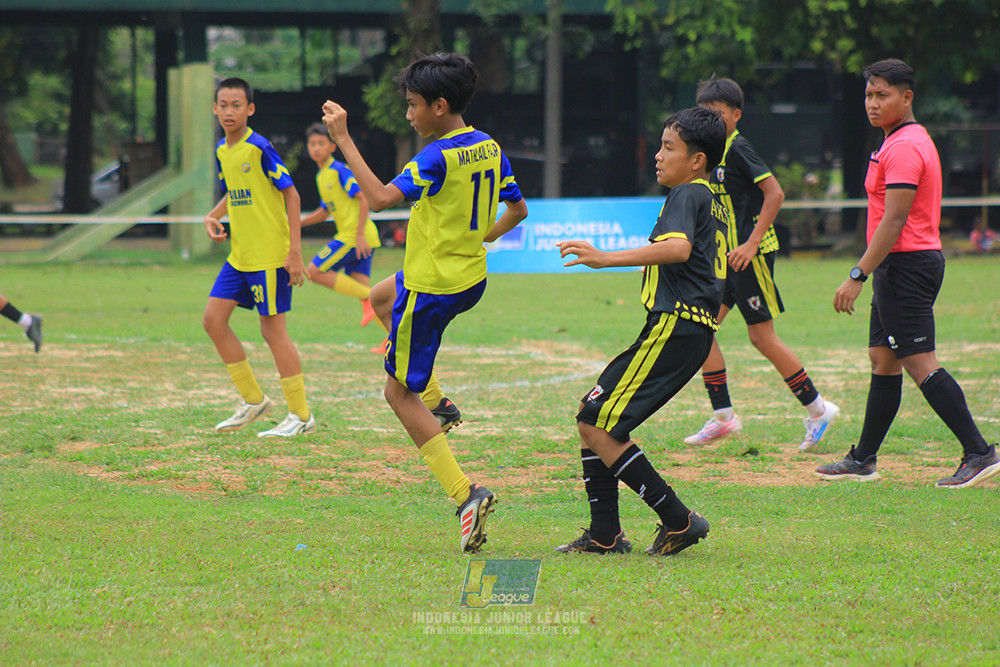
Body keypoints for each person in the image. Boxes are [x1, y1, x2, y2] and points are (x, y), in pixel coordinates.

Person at [321, 53, 528, 552]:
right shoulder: (487, 145)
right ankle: (438, 402)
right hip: (468, 278)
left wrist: (344, 139)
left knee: (396, 394)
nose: (409, 115)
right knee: (378, 296)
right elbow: (518, 210)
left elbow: (380, 199)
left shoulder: (436, 156)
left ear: (439, 105)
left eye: (413, 106)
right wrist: (482, 237)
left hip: (433, 288)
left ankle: (466, 495)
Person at [816, 58, 999, 488]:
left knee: (919, 362)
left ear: (906, 97)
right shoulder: (897, 140)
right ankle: (863, 459)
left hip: (906, 265)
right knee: (884, 360)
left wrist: (858, 275)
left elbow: (894, 220)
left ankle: (980, 452)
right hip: (899, 264)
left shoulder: (902, 147)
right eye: (868, 94)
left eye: (882, 95)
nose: (872, 103)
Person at [555, 106, 728, 556]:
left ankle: (678, 519)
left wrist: (604, 257)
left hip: (677, 327)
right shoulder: (707, 197)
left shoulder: (688, 194)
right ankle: (605, 534)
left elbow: (678, 249)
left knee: (595, 421)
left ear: (697, 160)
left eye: (669, 147)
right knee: (592, 417)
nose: (658, 155)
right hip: (683, 329)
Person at [684, 77, 839, 452]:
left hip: (749, 257)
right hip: (724, 259)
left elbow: (775, 193)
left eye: (717, 114)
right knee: (700, 329)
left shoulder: (738, 149)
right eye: (704, 113)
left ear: (736, 116)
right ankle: (724, 418)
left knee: (761, 336)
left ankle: (819, 410)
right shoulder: (706, 154)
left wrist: (751, 244)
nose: (711, 120)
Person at [202, 77, 316, 438]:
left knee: (272, 331)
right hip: (240, 256)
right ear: (215, 109)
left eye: (237, 105)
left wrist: (294, 252)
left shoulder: (259, 147)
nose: (229, 111)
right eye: (223, 104)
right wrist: (214, 214)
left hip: (269, 256)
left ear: (249, 109)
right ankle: (253, 399)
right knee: (213, 320)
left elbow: (292, 194)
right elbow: (236, 191)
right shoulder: (223, 149)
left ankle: (301, 416)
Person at [300, 123, 388, 353]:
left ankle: (371, 299)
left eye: (321, 143)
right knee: (367, 294)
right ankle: (395, 340)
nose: (316, 148)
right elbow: (325, 211)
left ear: (331, 146)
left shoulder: (339, 170)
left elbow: (364, 198)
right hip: (357, 236)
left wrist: (358, 234)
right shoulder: (322, 176)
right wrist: (297, 223)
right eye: (312, 144)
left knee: (314, 271)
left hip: (355, 236)